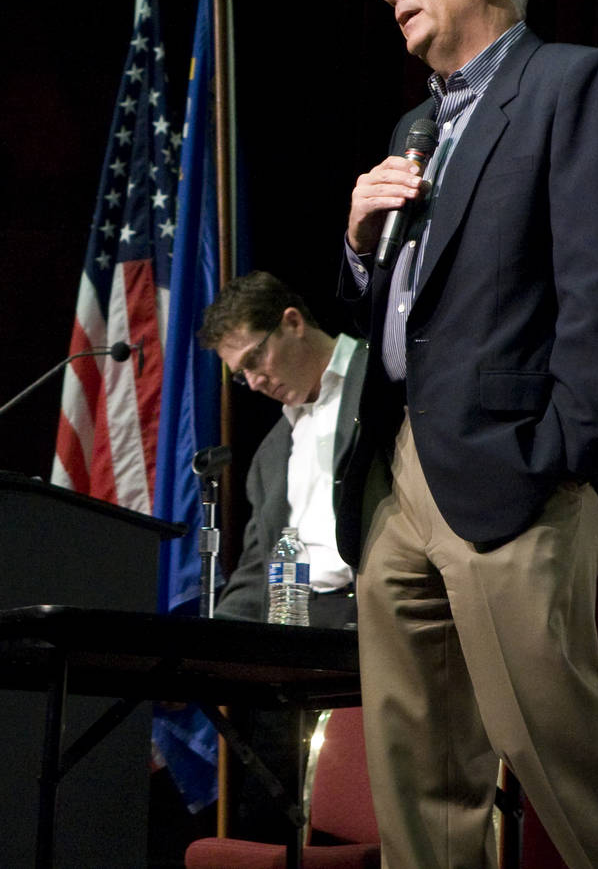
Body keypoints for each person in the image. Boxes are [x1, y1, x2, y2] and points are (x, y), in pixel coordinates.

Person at [338, 0, 598, 867]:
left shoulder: (574, 84)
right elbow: (408, 304)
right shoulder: (416, 122)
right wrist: (362, 245)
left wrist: (570, 454)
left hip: (510, 467)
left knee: (557, 744)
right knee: (415, 774)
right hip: (398, 471)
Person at [196, 270, 366, 841]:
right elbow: (254, 570)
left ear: (292, 322)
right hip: (294, 637)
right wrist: (205, 652)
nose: (251, 381)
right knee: (264, 818)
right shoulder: (273, 450)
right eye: (240, 373)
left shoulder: (385, 383)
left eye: (253, 360)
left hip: (372, 626)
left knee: (358, 824)